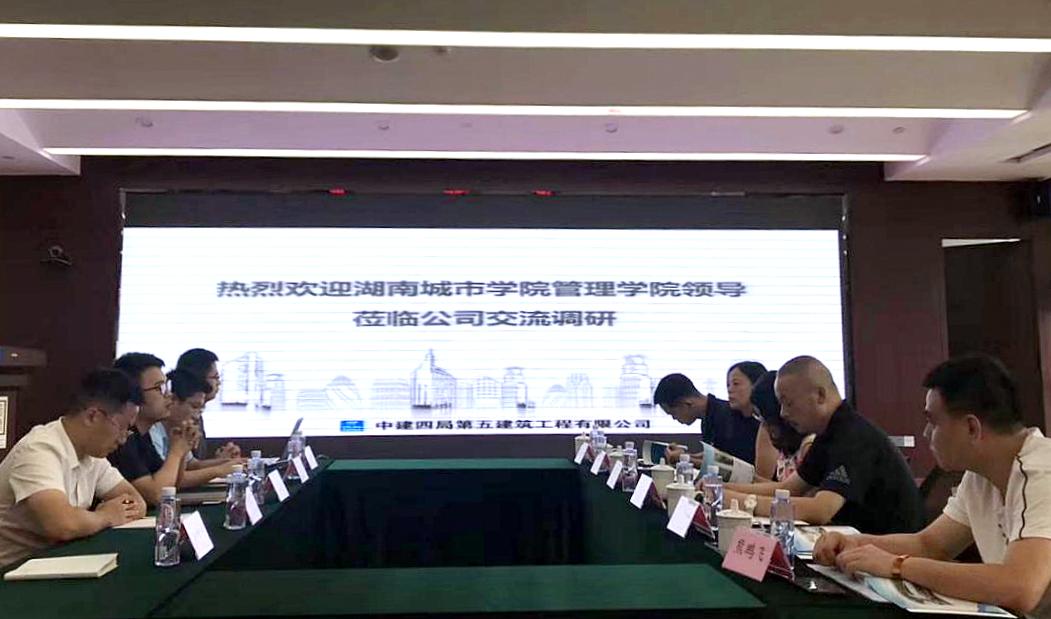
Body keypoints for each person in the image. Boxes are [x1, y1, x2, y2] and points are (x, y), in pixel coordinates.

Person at [813, 355, 1051, 616]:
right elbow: (930, 545)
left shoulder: (1041, 472)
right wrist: (853, 543)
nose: (926, 433)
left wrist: (897, 565)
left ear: (972, 428)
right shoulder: (981, 475)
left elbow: (1020, 588)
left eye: (933, 422)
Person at [723, 356, 924, 534]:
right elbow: (788, 488)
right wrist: (721, 489)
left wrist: (742, 502)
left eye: (788, 403)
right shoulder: (828, 432)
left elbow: (821, 509)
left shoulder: (853, 435)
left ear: (819, 395)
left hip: (888, 551)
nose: (783, 413)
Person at [0, 369, 147, 567]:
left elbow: (136, 501)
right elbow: (62, 525)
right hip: (12, 570)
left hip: (55, 562)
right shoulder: (39, 449)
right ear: (92, 416)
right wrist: (106, 516)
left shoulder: (92, 454)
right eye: (122, 428)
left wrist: (109, 514)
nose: (123, 439)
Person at [110, 353, 195, 505]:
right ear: (134, 394)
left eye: (167, 386)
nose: (169, 395)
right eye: (159, 388)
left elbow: (173, 484)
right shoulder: (123, 437)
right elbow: (156, 494)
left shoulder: (144, 434)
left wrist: (182, 447)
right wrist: (176, 452)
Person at [655, 361, 765, 464]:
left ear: (687, 403)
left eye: (673, 414)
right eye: (728, 385)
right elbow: (717, 457)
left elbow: (730, 465)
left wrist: (685, 458)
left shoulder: (728, 417)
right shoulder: (708, 417)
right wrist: (685, 456)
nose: (730, 389)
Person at [150, 368, 239, 487]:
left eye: (201, 409)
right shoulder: (152, 431)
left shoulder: (178, 429)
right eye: (194, 406)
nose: (197, 416)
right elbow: (176, 480)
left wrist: (230, 463)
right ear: (172, 400)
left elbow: (192, 464)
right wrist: (219, 470)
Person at [750, 370, 815, 482]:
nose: (764, 425)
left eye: (763, 417)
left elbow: (793, 490)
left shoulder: (809, 446)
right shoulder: (786, 447)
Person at [176, 348, 240, 459]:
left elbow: (193, 463)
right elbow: (188, 467)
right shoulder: (180, 416)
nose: (219, 383)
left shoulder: (197, 414)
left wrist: (221, 459)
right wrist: (222, 463)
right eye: (216, 377)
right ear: (198, 378)